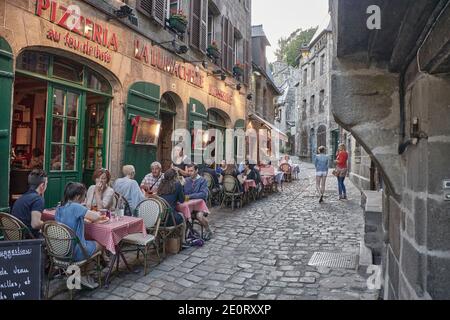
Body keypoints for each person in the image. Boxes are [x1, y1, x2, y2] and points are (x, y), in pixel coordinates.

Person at [55, 182, 104, 289]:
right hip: (74, 252)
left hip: (59, 251)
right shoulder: (76, 207)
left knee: (88, 242)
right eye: (84, 195)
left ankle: (80, 272)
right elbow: (95, 217)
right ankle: (85, 274)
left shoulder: (59, 207)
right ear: (77, 196)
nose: (85, 197)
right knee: (101, 244)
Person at [11, 169, 47, 238]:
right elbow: (35, 224)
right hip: (29, 240)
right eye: (46, 184)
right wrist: (47, 224)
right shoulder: (38, 199)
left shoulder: (22, 197)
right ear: (42, 185)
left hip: (16, 237)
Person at [183, 164, 213, 240]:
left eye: (191, 171)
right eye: (188, 171)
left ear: (196, 171)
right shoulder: (186, 180)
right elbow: (184, 193)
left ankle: (208, 230)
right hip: (189, 206)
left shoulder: (202, 180)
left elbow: (203, 194)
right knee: (181, 215)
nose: (190, 173)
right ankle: (185, 236)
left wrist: (190, 196)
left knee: (199, 216)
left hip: (200, 206)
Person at [157, 169, 186, 243]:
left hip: (158, 219)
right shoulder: (177, 184)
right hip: (169, 219)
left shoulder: (161, 184)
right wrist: (182, 186)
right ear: (175, 177)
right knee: (183, 216)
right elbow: (182, 200)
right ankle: (183, 241)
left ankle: (163, 240)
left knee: (176, 214)